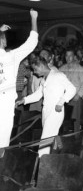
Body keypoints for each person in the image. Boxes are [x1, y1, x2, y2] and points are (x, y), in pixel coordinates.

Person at [16, 56, 76, 157]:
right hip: (46, 111)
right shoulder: (44, 79)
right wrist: (24, 100)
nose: (34, 72)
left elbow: (72, 89)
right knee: (50, 137)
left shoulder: (58, 75)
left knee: (45, 139)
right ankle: (56, 157)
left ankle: (40, 161)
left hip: (56, 112)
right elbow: (39, 94)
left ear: (41, 66)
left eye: (35, 69)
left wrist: (61, 102)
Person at [0, 9, 38, 151]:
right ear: (4, 41)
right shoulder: (11, 56)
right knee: (2, 139)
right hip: (5, 102)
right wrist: (33, 18)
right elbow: (32, 42)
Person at [60, 47, 83, 132]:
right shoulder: (61, 68)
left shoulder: (80, 68)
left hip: (75, 98)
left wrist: (79, 95)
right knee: (64, 120)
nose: (68, 58)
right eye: (66, 56)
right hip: (64, 98)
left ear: (74, 56)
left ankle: (75, 139)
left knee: (75, 121)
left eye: (70, 56)